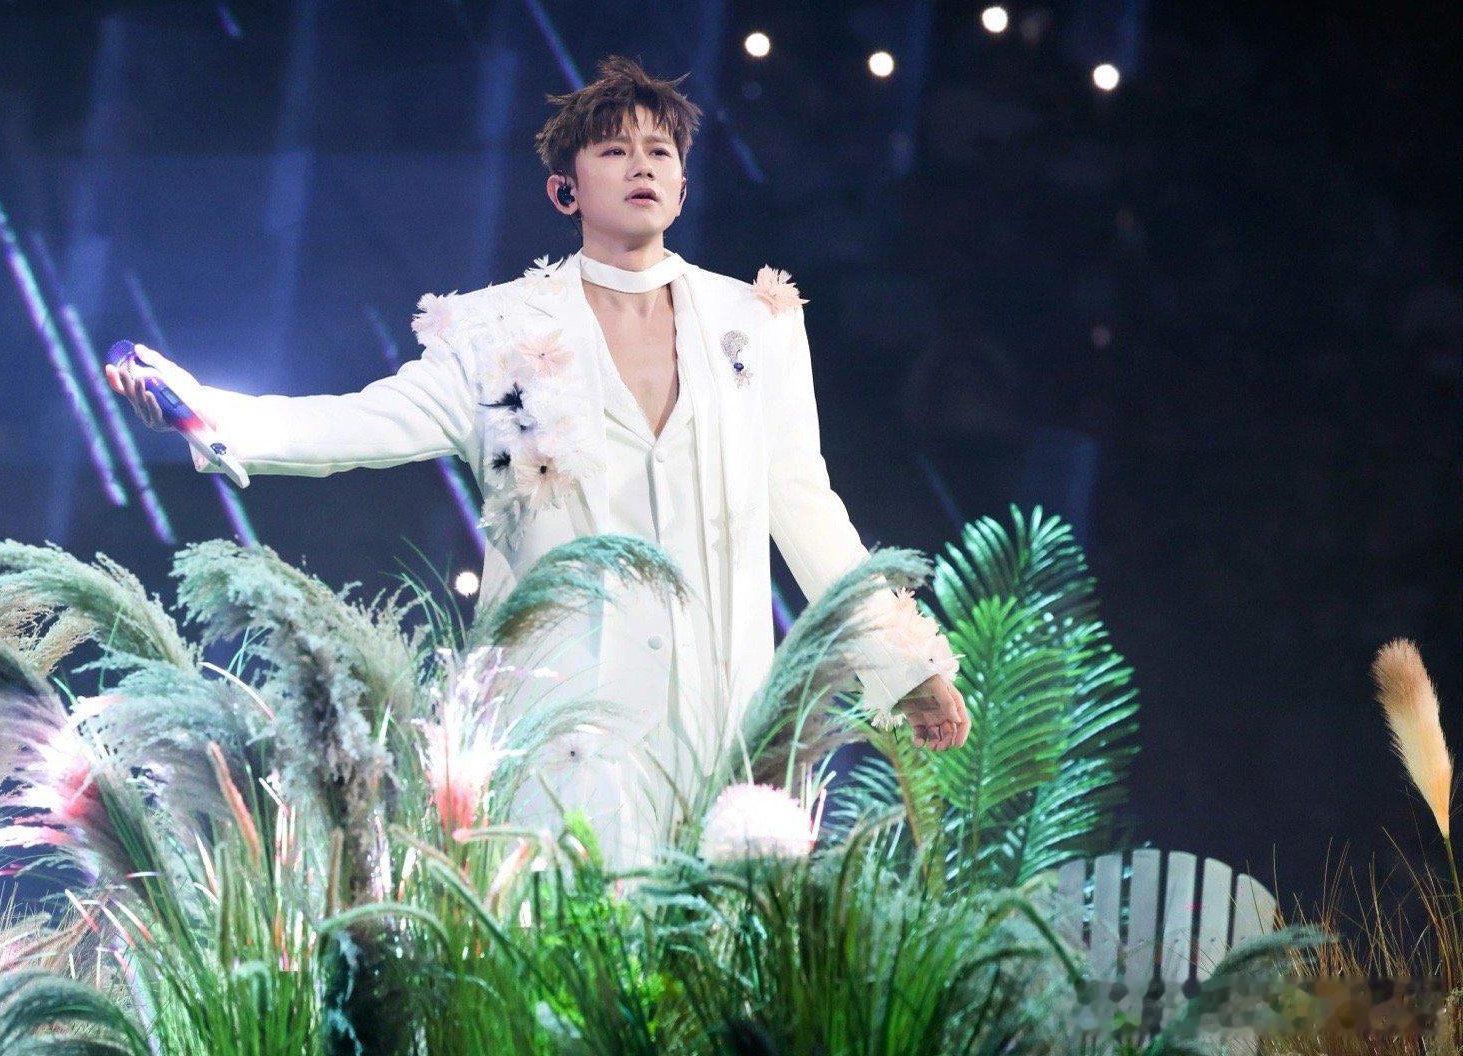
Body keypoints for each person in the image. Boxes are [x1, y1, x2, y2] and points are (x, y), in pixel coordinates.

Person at [106, 55, 970, 867]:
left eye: (660, 151)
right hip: (562, 721)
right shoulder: (497, 331)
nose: (641, 165)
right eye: (614, 150)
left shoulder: (753, 324)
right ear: (566, 189)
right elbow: (360, 422)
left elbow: (807, 506)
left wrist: (907, 665)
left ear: (682, 184)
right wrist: (207, 414)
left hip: (718, 717)